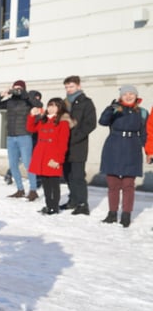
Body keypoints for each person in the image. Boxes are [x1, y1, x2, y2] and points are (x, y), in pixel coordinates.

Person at [98, 85, 148, 228]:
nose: (128, 96)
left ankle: (126, 215)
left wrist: (148, 152)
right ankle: (112, 213)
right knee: (113, 184)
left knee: (128, 185)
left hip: (132, 148)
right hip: (113, 147)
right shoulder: (115, 109)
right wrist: (110, 108)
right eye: (125, 94)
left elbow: (144, 133)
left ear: (136, 96)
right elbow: (102, 121)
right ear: (121, 96)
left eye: (131, 94)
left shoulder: (142, 112)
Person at [0, 80, 43, 201]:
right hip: (11, 137)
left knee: (28, 164)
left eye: (19, 88)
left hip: (24, 136)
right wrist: (1, 95)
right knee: (13, 165)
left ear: (24, 89)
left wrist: (26, 95)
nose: (17, 90)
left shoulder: (28, 100)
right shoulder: (10, 102)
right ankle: (20, 189)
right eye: (15, 88)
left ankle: (33, 190)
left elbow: (39, 104)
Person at [59, 76, 97, 215]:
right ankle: (73, 200)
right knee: (67, 174)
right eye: (67, 87)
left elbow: (90, 124)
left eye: (71, 86)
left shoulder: (86, 102)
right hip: (64, 145)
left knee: (78, 176)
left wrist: (75, 137)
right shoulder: (63, 103)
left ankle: (82, 204)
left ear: (78, 86)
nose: (69, 89)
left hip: (78, 145)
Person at [27, 98, 71, 215]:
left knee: (54, 183)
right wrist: (32, 115)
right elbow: (30, 128)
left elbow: (63, 143)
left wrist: (58, 160)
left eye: (54, 106)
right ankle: (48, 205)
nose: (51, 108)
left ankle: (54, 207)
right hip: (41, 155)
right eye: (49, 105)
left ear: (60, 108)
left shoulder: (63, 122)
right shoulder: (43, 120)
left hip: (53, 156)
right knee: (45, 183)